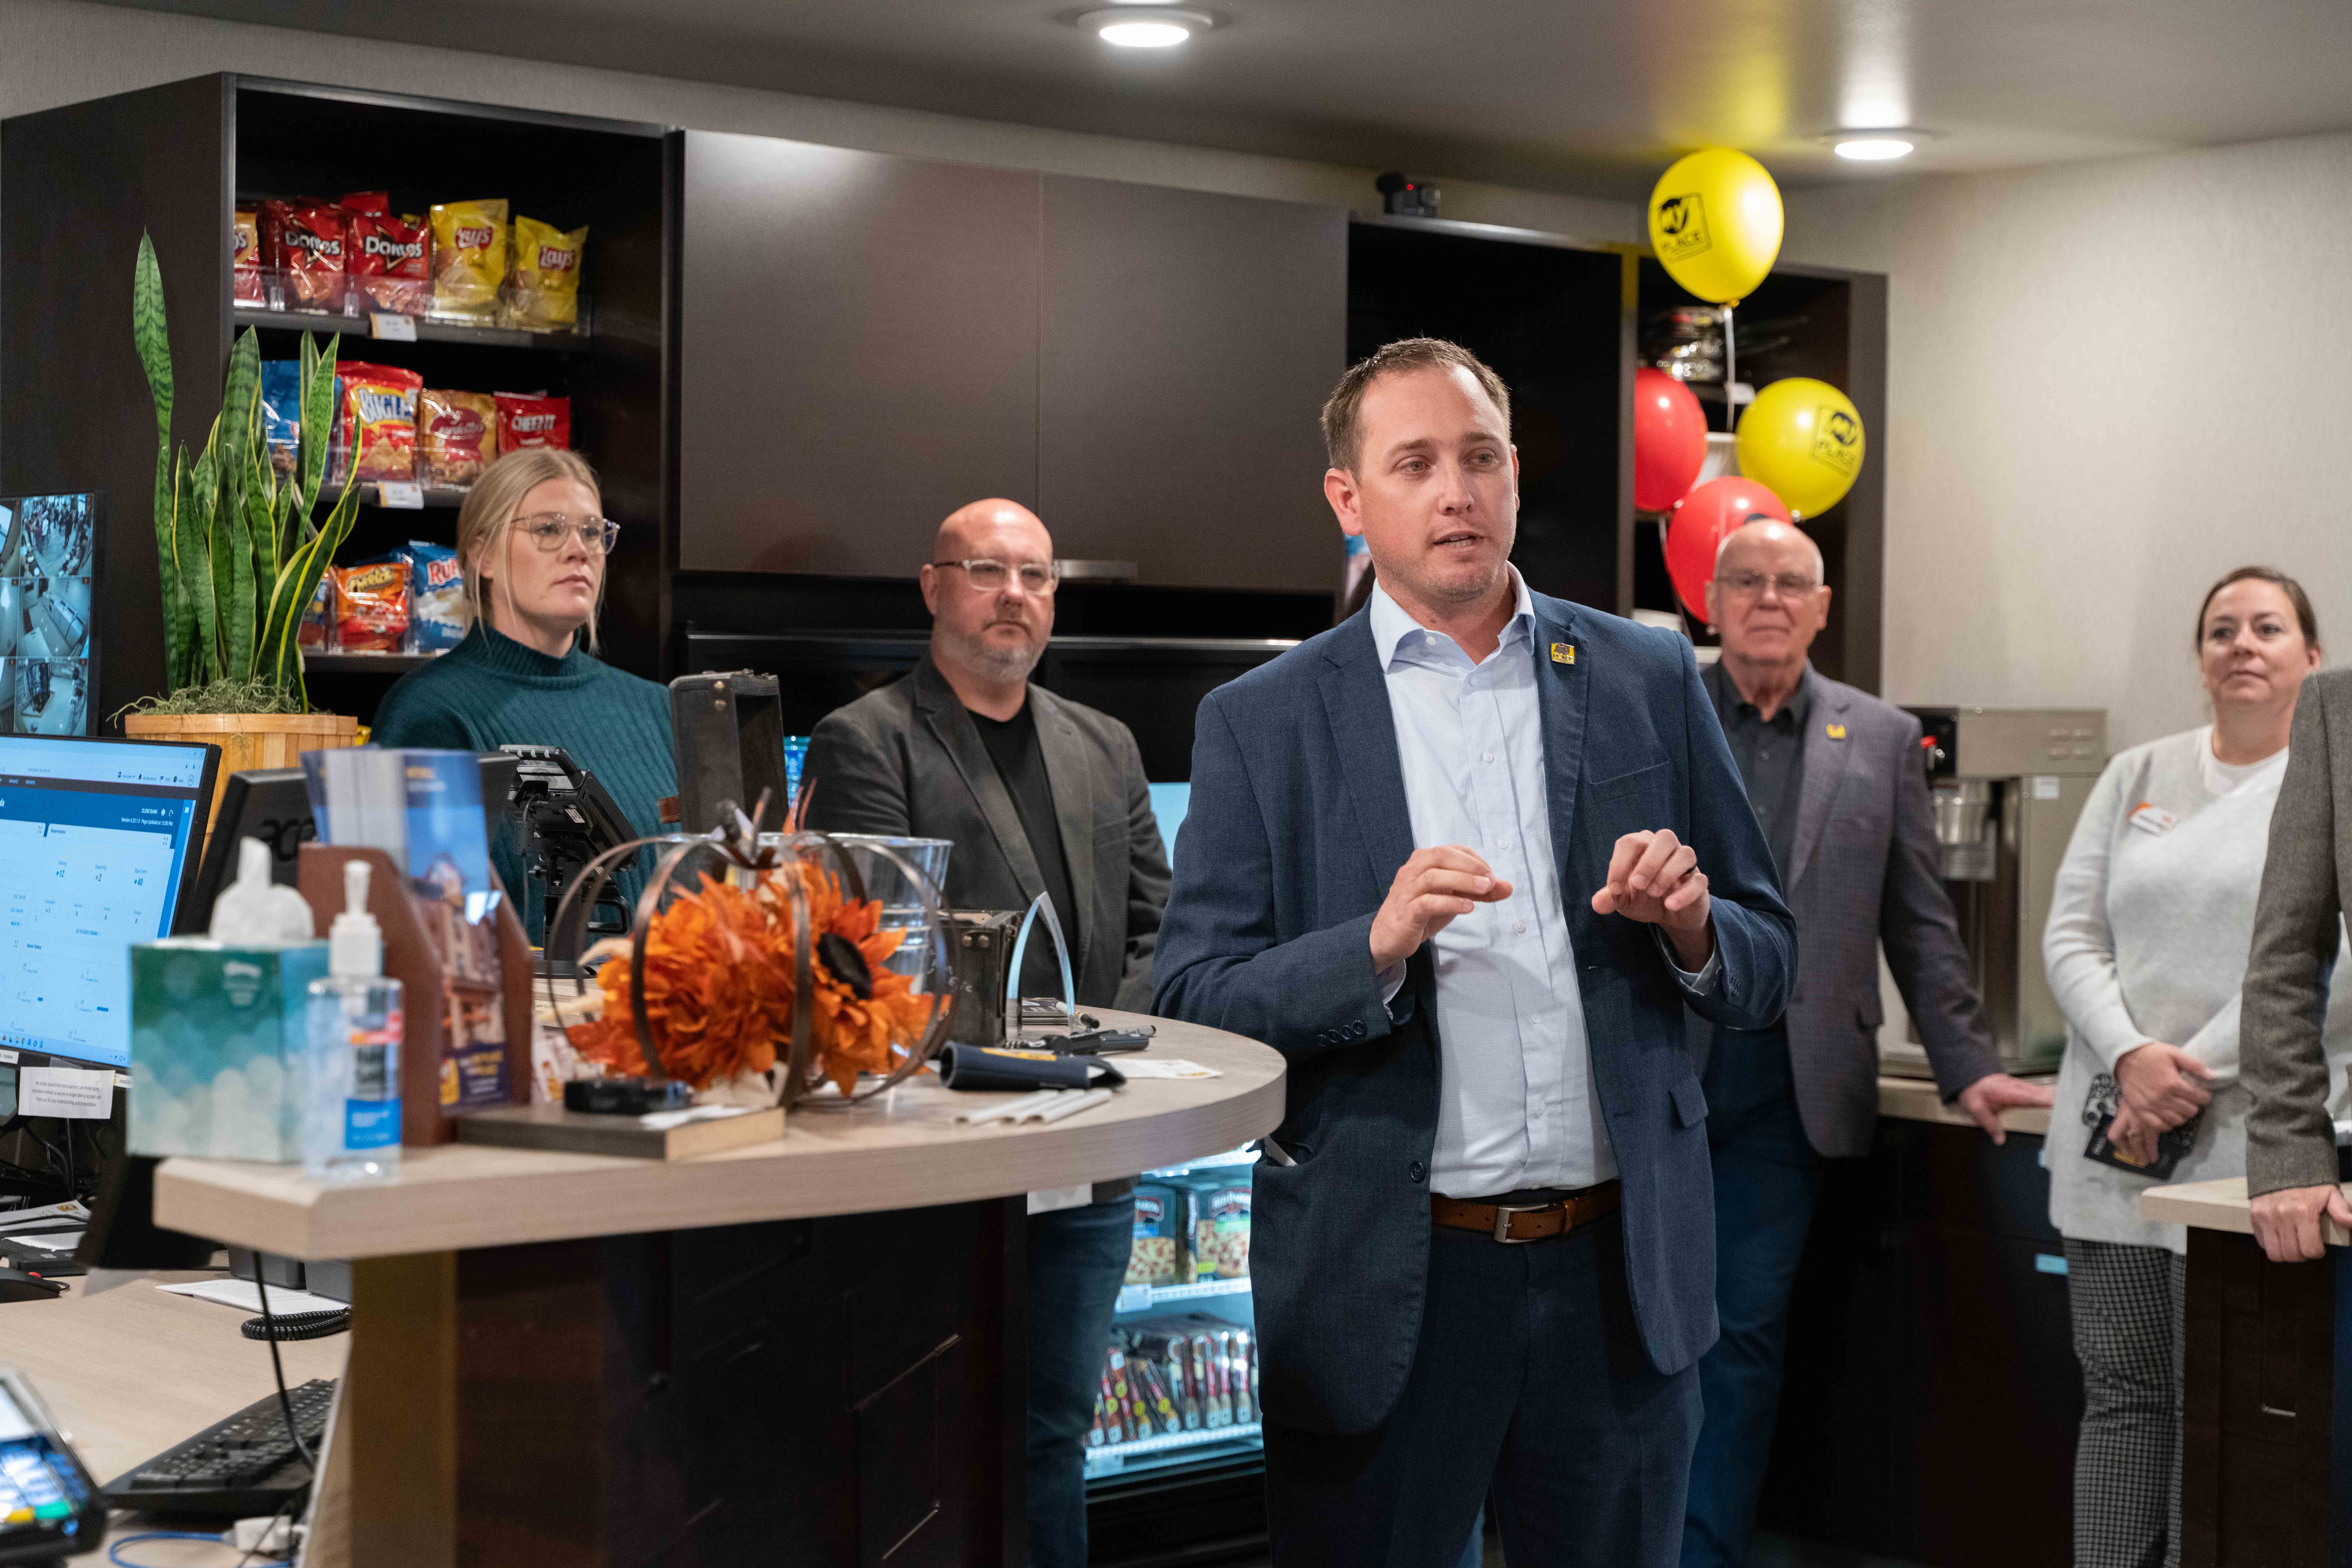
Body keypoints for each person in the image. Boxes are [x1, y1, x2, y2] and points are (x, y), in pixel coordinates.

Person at [1154, 338, 1797, 1568]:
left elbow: (1768, 956)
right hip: (1387, 1287)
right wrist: (1374, 945)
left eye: (1480, 457)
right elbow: (1192, 1000)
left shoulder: (1646, 671)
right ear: (1348, 499)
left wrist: (1693, 924)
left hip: (1619, 1287)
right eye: (1414, 464)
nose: (1456, 492)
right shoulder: (1260, 720)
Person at [802, 497, 1170, 1568]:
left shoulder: (1105, 744)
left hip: (1088, 1158)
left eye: (1036, 576)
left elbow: (1162, 921)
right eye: (986, 570)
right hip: (939, 1161)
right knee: (923, 1439)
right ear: (933, 587)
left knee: (1054, 1433)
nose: (1015, 594)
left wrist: (1093, 1044)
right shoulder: (865, 738)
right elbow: (871, 950)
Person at [1679, 521, 2051, 1568]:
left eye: (1789, 582)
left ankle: (1700, 1556)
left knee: (1738, 1339)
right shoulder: (1661, 712)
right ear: (1711, 600)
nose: (1768, 598)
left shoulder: (1879, 737)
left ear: (1822, 607)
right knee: (1638, 1341)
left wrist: (1970, 1066)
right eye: (1746, 580)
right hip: (1658, 1077)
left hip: (1787, 1091)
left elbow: (1918, 921)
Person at [2044, 566, 2341, 1568]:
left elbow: (2328, 964)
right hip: (2114, 1140)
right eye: (2221, 629)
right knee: (2122, 1394)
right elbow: (2070, 932)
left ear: (2313, 656)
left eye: (2268, 628)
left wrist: (2185, 1074)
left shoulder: (2327, 784)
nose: (2242, 645)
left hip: (2247, 1154)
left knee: (2216, 1407)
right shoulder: (2138, 771)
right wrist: (2132, 1057)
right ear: (2200, 657)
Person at [370, 449, 674, 933]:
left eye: (591, 532)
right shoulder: (432, 714)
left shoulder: (659, 709)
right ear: (483, 555)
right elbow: (428, 929)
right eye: (549, 529)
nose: (578, 550)